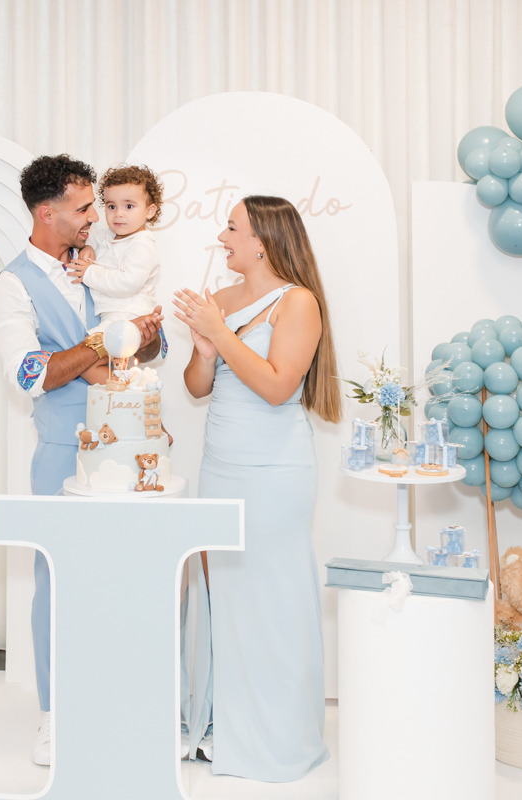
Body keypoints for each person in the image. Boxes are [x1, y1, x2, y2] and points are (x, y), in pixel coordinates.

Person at [0, 154, 163, 766]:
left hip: (133, 444)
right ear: (46, 213)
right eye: (84, 208)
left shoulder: (103, 264)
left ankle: (123, 703)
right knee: (58, 582)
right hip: (65, 453)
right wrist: (99, 346)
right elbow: (32, 374)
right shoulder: (10, 286)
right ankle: (56, 714)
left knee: (129, 579)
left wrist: (142, 335)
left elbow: (145, 349)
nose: (96, 218)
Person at [172, 195, 341, 781]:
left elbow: (276, 387)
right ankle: (218, 725)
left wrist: (220, 333)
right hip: (220, 467)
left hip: (274, 474)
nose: (223, 237)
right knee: (222, 596)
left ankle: (274, 737)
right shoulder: (221, 302)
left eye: (232, 227)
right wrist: (204, 349)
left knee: (271, 601)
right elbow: (198, 388)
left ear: (262, 241)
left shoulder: (298, 302)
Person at [66, 164, 164, 328]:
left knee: (94, 341)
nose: (118, 214)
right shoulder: (108, 234)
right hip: (110, 313)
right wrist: (87, 248)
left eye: (129, 206)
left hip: (130, 314)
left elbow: (128, 283)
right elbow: (93, 240)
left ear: (149, 211)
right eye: (111, 206)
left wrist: (90, 273)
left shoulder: (141, 244)